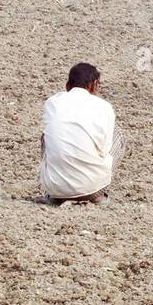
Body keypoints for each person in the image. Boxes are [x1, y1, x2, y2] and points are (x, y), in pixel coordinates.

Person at [39, 62, 122, 205]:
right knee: (118, 134)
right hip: (91, 189)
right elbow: (105, 149)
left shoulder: (52, 102)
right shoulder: (103, 107)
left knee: (46, 136)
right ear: (94, 85)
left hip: (55, 190)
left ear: (67, 86)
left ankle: (55, 194)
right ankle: (100, 194)